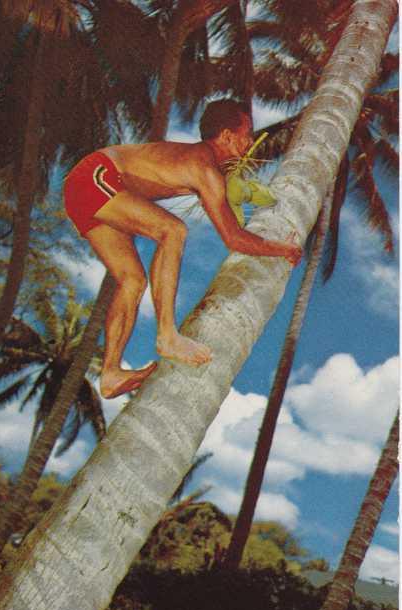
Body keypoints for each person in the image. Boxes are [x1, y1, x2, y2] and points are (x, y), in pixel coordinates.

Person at [64, 99, 302, 399]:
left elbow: (233, 223)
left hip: (88, 191)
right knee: (172, 230)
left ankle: (110, 373)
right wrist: (283, 249)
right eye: (247, 132)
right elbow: (234, 238)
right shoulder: (203, 168)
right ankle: (167, 335)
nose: (251, 140)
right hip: (97, 176)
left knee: (132, 280)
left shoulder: (205, 169)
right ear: (227, 136)